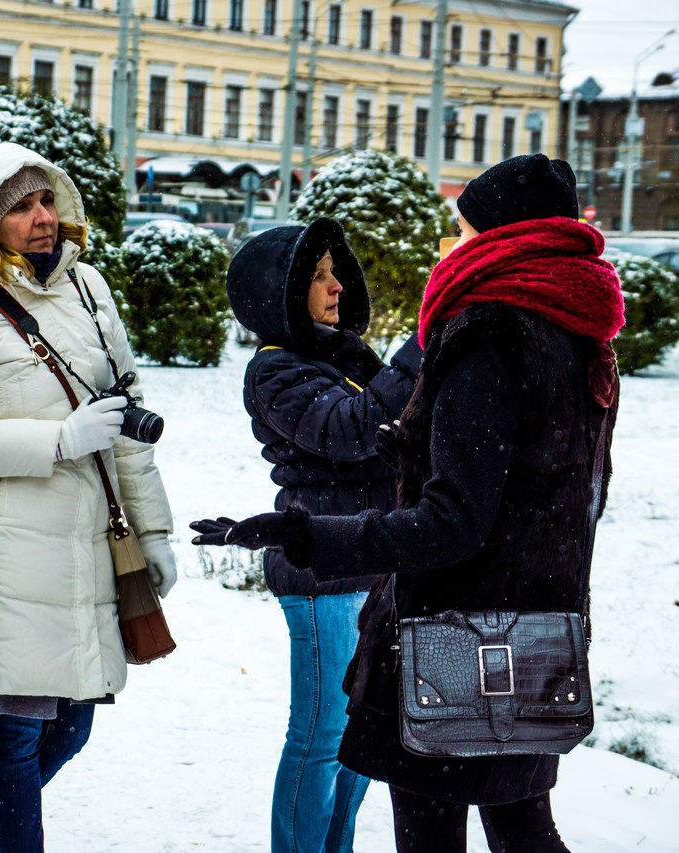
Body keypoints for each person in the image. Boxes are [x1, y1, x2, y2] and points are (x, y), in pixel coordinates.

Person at [193, 154, 624, 852]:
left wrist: (306, 534)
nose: (451, 248)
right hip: (534, 628)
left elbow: (450, 518)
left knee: (451, 830)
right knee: (522, 830)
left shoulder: (486, 335)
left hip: (452, 637)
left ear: (502, 239)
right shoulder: (579, 331)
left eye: (461, 232)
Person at [0, 141, 177, 852]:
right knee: (16, 732)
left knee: (71, 724)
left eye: (46, 199)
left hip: (84, 554)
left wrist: (153, 535)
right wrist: (57, 438)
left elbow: (125, 419)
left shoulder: (88, 291)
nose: (42, 217)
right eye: (20, 206)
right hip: (7, 561)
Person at [225, 218, 422, 853]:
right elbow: (352, 429)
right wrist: (422, 346)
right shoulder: (276, 370)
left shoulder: (344, 358)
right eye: (317, 276)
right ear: (278, 292)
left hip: (372, 566)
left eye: (336, 272)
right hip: (322, 577)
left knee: (361, 739)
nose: (336, 285)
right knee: (319, 738)